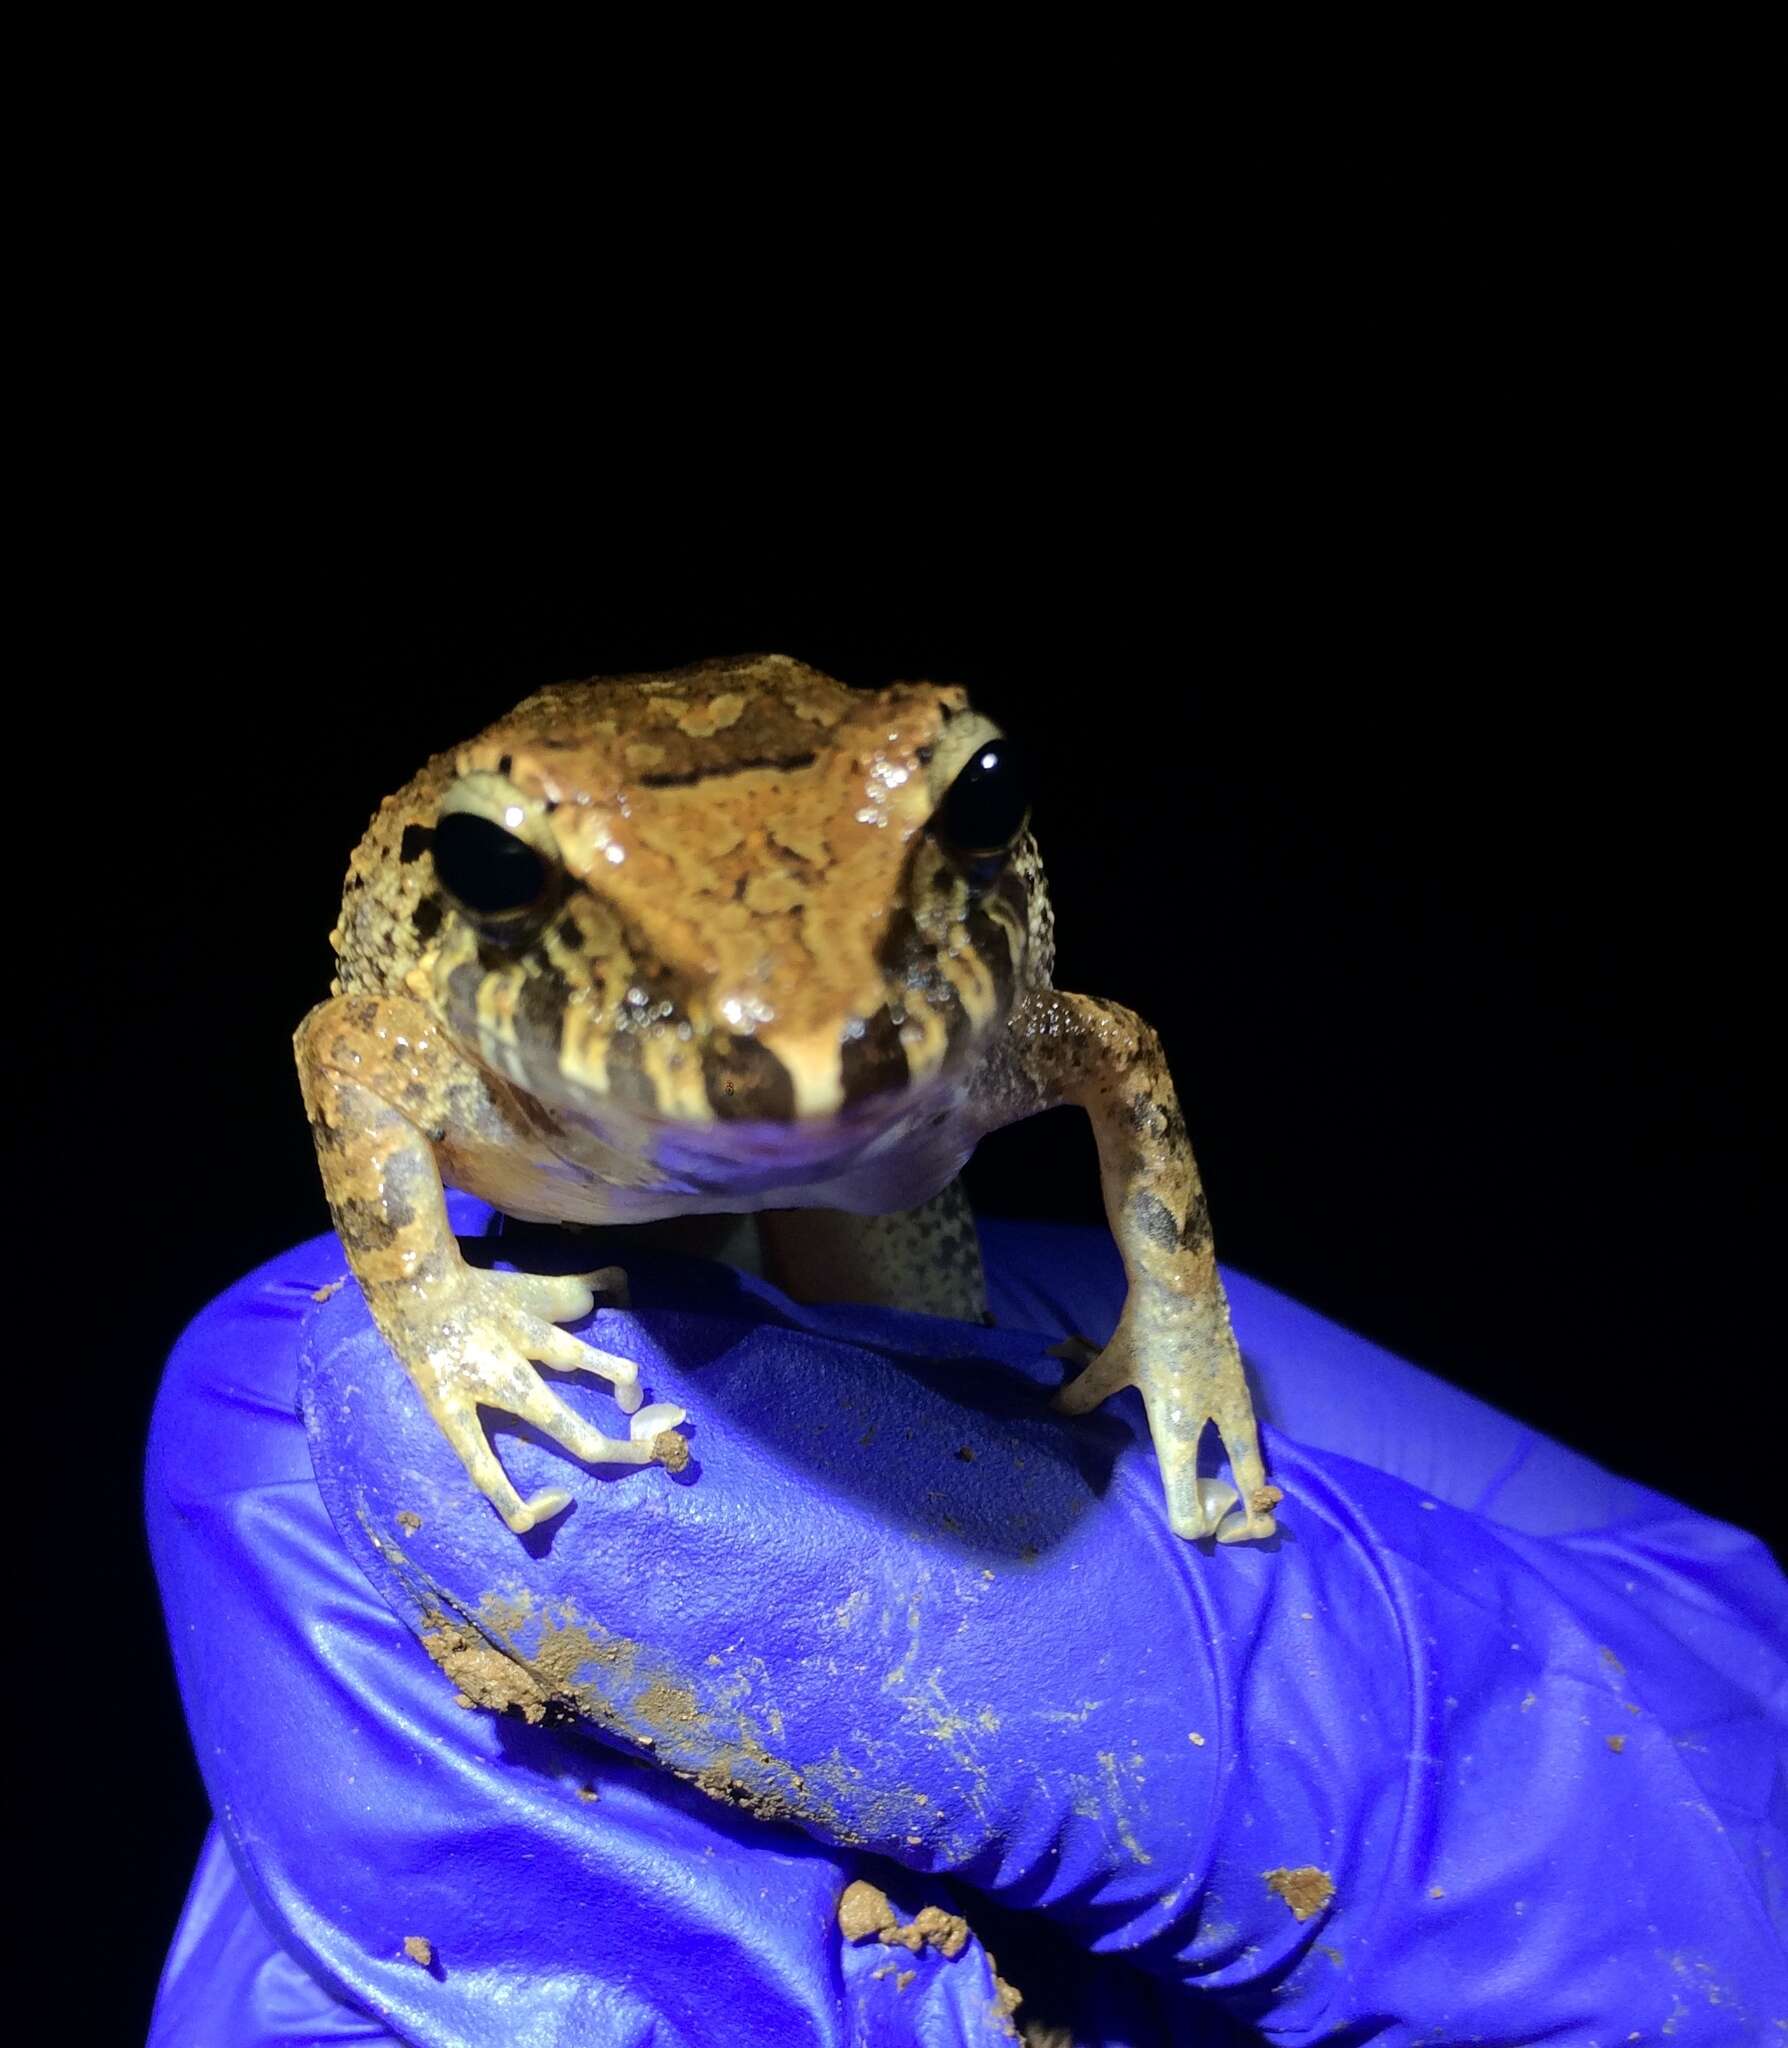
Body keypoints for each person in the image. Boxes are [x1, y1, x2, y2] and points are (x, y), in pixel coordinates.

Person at [148, 1197, 1787, 2045]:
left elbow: (1104, 1056)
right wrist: (436, 1292)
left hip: (929, 1350)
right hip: (696, 1322)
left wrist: (1183, 1318)